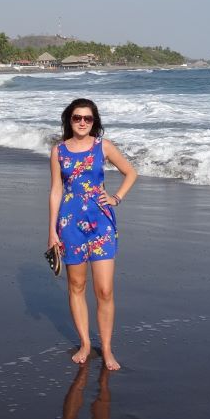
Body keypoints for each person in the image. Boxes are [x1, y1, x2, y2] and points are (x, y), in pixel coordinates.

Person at [48, 98, 137, 371]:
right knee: (76, 286)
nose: (82, 122)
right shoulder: (59, 151)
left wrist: (116, 198)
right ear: (69, 120)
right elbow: (56, 191)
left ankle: (107, 349)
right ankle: (86, 344)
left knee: (105, 290)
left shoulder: (103, 147)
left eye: (88, 118)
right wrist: (52, 231)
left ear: (94, 121)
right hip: (70, 224)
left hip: (101, 224)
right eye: (77, 118)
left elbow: (131, 172)